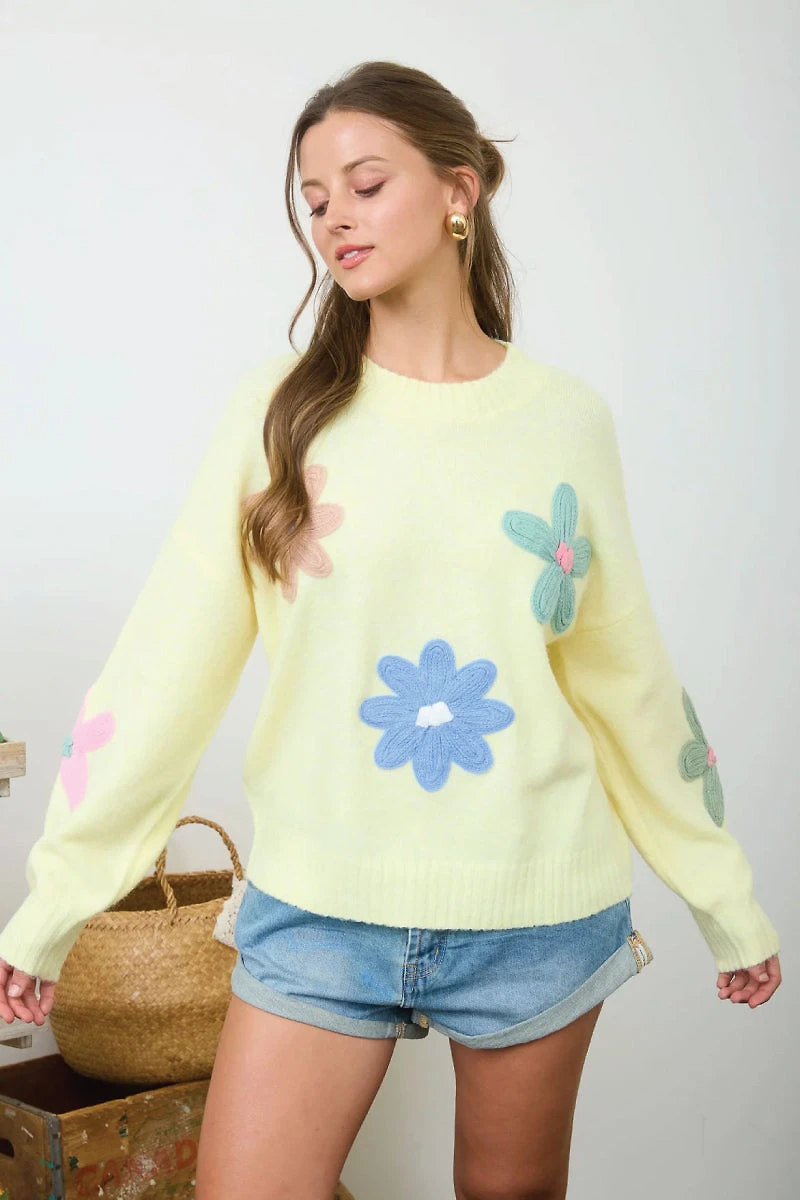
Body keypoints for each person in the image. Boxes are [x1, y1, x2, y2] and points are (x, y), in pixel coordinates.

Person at [0, 59, 781, 1200]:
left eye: (365, 186)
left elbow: (626, 675)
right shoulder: (281, 413)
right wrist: (56, 900)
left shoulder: (564, 422)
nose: (334, 220)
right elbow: (165, 664)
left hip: (534, 907)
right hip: (320, 908)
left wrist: (723, 896)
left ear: (460, 190)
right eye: (315, 200)